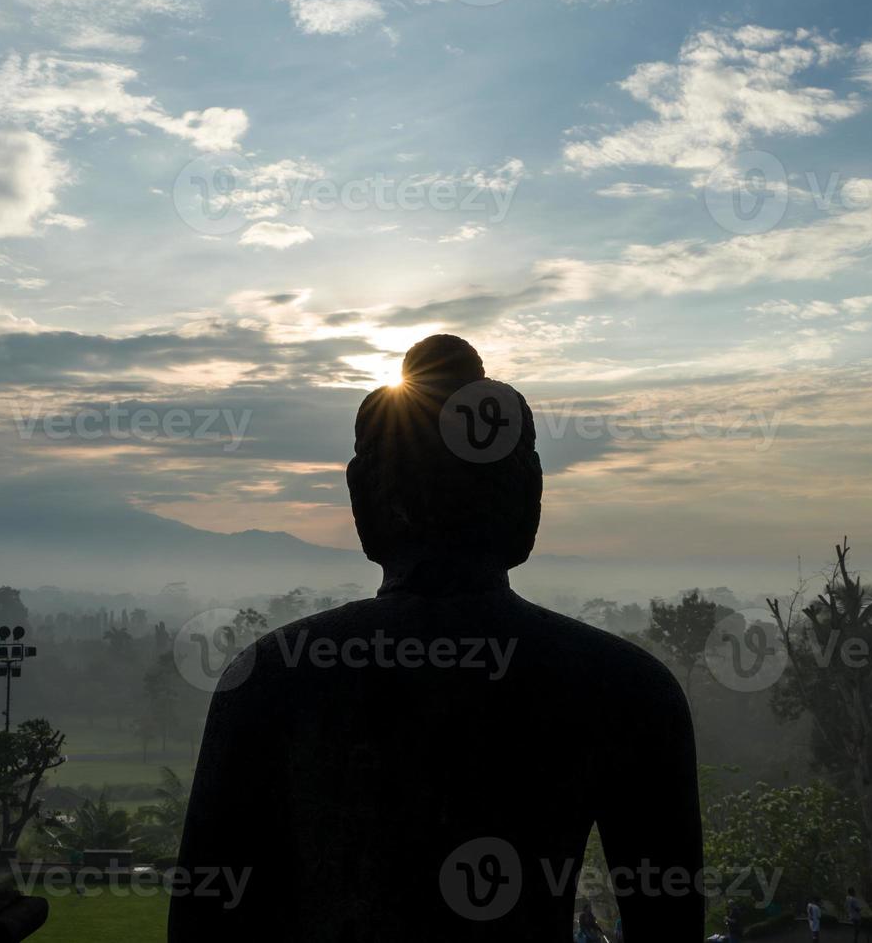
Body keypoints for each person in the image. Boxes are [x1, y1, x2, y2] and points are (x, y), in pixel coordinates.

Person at [169, 336, 704, 941]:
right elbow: (670, 923)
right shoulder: (627, 688)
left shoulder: (269, 677)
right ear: (528, 495)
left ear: (363, 498)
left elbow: (203, 921)